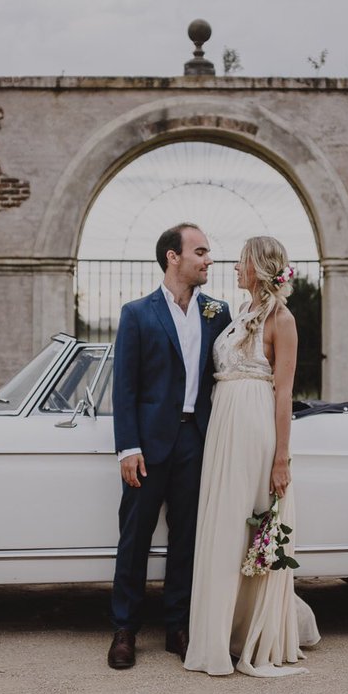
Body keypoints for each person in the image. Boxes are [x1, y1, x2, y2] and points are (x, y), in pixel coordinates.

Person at [184, 235, 321, 677]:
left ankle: (257, 633)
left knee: (256, 527)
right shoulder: (236, 313)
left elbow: (284, 393)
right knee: (224, 528)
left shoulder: (282, 319)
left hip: (255, 430)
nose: (234, 269)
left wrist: (282, 457)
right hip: (223, 431)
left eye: (242, 262)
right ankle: (223, 631)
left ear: (260, 268)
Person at [108, 222, 232, 669]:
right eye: (200, 251)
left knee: (188, 539)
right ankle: (124, 630)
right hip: (149, 444)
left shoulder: (219, 312)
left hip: (197, 441)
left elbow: (228, 376)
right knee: (134, 538)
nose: (208, 260)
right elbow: (125, 388)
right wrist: (128, 447)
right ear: (172, 257)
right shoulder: (137, 314)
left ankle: (177, 627)